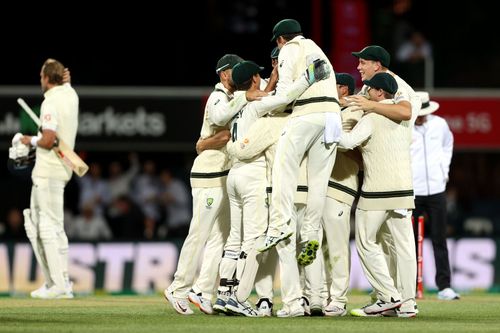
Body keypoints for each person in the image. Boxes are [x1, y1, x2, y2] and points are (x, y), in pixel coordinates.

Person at [259, 18, 342, 268]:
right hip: (332, 117)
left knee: (283, 167)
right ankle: (310, 235)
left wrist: (260, 105)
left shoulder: (288, 49)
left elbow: (285, 95)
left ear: (280, 39)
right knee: (319, 181)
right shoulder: (318, 49)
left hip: (307, 113)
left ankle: (279, 225)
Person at [339, 73, 417, 317]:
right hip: (404, 190)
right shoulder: (405, 120)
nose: (365, 93)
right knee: (404, 247)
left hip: (376, 191)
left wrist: (329, 126)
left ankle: (387, 295)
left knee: (365, 241)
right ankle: (407, 303)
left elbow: (345, 142)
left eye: (368, 90)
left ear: (379, 93)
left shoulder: (372, 117)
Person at [20, 58, 78, 299]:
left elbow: (47, 139)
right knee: (46, 224)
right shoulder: (71, 95)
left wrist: (28, 140)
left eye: (42, 75)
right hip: (60, 170)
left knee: (45, 226)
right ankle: (60, 281)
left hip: (47, 171)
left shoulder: (50, 103)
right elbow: (65, 82)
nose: (40, 80)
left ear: (46, 79)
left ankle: (57, 285)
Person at [411, 91, 459, 300]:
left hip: (437, 190)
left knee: (440, 238)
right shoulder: (405, 127)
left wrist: (444, 171)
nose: (420, 117)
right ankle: (408, 286)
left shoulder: (439, 124)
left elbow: (448, 144)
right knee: (408, 241)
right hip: (412, 191)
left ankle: (444, 287)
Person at [321, 72, 362, 317]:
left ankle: (338, 298)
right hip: (322, 185)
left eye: (332, 85)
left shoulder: (355, 113)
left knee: (337, 244)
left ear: (344, 89)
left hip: (342, 184)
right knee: (320, 245)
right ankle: (320, 294)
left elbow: (361, 153)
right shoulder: (328, 110)